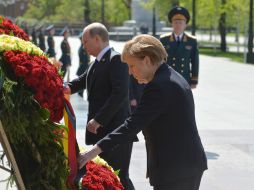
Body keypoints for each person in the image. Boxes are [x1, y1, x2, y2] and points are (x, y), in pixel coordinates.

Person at [78, 34, 207, 190]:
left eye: (132, 66)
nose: (131, 73)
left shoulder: (159, 85)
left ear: (146, 60)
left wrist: (94, 150)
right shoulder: (169, 76)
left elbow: (132, 125)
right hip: (182, 165)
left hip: (177, 169)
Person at [63, 22, 135, 190]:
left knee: (119, 176)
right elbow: (81, 80)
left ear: (97, 39)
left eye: (85, 42)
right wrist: (64, 86)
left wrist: (98, 120)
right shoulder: (98, 61)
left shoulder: (116, 59)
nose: (83, 46)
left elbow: (120, 95)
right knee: (108, 176)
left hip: (116, 131)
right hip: (104, 132)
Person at [160, 6, 199, 89]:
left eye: (180, 22)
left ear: (185, 25)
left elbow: (195, 62)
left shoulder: (191, 41)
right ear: (172, 23)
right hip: (168, 78)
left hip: (184, 78)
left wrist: (194, 79)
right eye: (175, 22)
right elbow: (160, 60)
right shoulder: (164, 40)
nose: (178, 25)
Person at [76, 33, 90, 97]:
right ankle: (80, 96)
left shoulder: (84, 47)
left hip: (84, 67)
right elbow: (84, 60)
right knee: (82, 86)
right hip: (83, 68)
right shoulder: (82, 48)